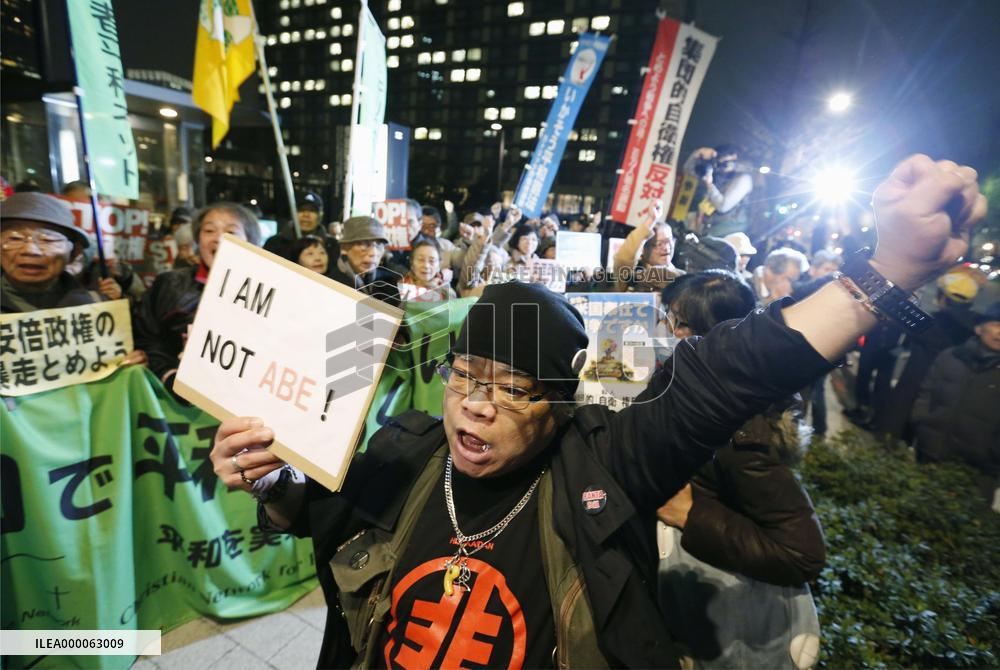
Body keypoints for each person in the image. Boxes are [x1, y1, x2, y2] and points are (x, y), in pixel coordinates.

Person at [209, 155, 985, 668]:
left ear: (561, 402)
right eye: (464, 377)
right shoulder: (406, 453)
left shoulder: (604, 466)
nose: (475, 408)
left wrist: (888, 270)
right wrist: (272, 478)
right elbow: (314, 514)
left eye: (513, 389)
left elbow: (727, 372)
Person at [657, 269, 823, 668]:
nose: (665, 330)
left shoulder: (741, 433)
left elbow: (803, 553)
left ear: (706, 336)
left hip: (724, 628)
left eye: (675, 321)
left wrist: (692, 514)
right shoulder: (695, 390)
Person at [134, 202, 261, 390]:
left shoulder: (268, 293)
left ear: (251, 242)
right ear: (197, 240)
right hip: (177, 406)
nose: (219, 238)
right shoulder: (169, 284)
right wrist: (169, 376)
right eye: (209, 231)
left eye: (231, 232)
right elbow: (147, 337)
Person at [876, 267, 980, 442]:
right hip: (942, 414)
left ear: (941, 299)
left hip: (908, 398)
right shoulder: (974, 333)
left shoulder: (928, 324)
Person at [913, 303, 999, 504]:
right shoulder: (951, 357)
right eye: (996, 324)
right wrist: (920, 421)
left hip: (978, 470)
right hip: (930, 453)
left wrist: (993, 456)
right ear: (979, 328)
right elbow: (926, 392)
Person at [1, 192, 103, 311]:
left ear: (74, 253)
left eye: (48, 240)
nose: (30, 250)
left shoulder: (95, 307)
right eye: (15, 238)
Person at [328, 216, 400, 306]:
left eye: (378, 245)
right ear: (344, 248)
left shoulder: (390, 283)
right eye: (363, 244)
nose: (373, 253)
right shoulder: (329, 285)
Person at [684, 144, 754, 237]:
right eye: (719, 163)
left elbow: (722, 206)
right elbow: (688, 171)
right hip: (708, 225)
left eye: (726, 163)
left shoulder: (743, 179)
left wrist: (709, 184)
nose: (722, 167)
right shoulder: (717, 171)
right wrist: (697, 153)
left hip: (727, 231)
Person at [614, 204, 684, 292]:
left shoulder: (683, 280)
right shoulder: (631, 279)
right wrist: (651, 220)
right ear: (642, 249)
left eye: (669, 241)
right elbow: (623, 258)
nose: (666, 247)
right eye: (659, 244)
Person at [263, 191, 339, 263]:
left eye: (312, 211)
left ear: (320, 216)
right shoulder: (274, 243)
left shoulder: (331, 245)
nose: (306, 215)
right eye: (301, 210)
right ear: (292, 213)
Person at [398, 238, 456, 302]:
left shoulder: (448, 294)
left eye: (431, 261)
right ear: (412, 263)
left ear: (439, 265)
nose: (426, 266)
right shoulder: (397, 289)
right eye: (421, 259)